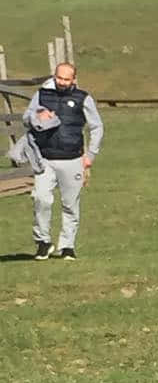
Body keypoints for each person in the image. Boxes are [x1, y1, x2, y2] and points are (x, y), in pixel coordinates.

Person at [22, 61, 104, 260]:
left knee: (70, 204)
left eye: (66, 79)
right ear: (54, 76)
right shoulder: (42, 94)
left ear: (73, 79)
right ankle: (42, 243)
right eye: (59, 78)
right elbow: (26, 118)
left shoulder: (83, 98)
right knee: (41, 199)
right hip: (45, 159)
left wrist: (90, 156)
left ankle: (67, 246)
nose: (62, 82)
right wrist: (38, 116)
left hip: (73, 159)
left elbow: (97, 127)